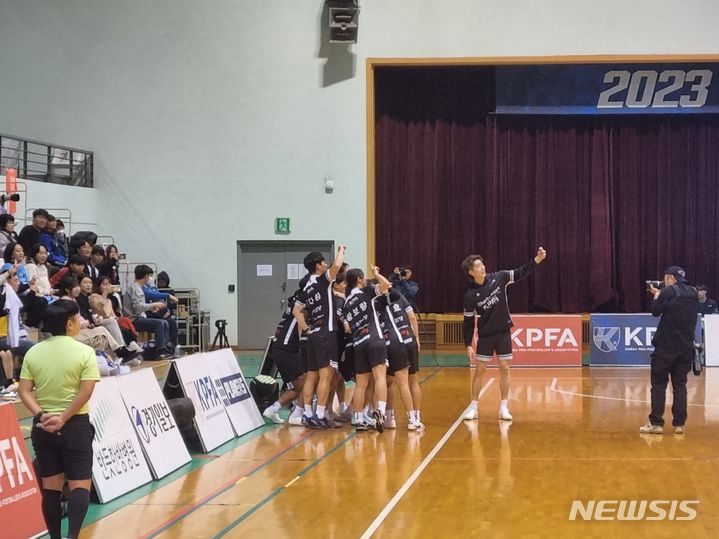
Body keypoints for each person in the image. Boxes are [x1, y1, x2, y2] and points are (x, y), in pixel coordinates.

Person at [18, 299, 100, 539]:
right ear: (69, 324)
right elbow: (86, 391)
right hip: (75, 425)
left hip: (43, 427)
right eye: (77, 319)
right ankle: (72, 536)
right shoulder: (85, 352)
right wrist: (64, 417)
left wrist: (42, 415)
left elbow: (24, 391)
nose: (80, 322)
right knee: (80, 485)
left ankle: (55, 537)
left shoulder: (34, 351)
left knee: (50, 488)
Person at [461, 247, 547, 421]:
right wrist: (468, 344)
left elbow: (521, 272)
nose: (482, 267)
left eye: (482, 264)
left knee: (505, 368)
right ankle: (474, 406)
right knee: (480, 370)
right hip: (485, 335)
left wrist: (537, 259)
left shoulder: (499, 278)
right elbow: (468, 322)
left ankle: (503, 407)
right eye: (478, 266)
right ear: (471, 272)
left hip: (503, 332)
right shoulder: (470, 295)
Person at [641, 266, 699, 435]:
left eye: (665, 278)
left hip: (665, 347)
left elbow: (655, 312)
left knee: (658, 384)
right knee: (680, 385)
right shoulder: (694, 292)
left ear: (671, 278)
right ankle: (679, 424)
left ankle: (656, 423)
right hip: (685, 347)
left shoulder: (668, 291)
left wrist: (658, 295)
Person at [292, 246, 346, 429]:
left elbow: (296, 310)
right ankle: (320, 414)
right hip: (326, 332)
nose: (326, 264)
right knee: (327, 375)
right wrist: (341, 250)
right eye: (323, 262)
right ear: (318, 266)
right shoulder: (322, 281)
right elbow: (338, 265)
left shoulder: (306, 286)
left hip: (313, 334)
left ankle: (307, 413)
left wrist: (306, 328)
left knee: (312, 376)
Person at [343, 265, 392, 431]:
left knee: (361, 384)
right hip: (374, 339)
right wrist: (377, 274)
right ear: (359, 279)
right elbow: (387, 286)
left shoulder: (347, 302)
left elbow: (347, 327)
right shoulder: (366, 292)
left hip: (358, 343)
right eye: (363, 277)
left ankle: (357, 418)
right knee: (379, 377)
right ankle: (381, 411)